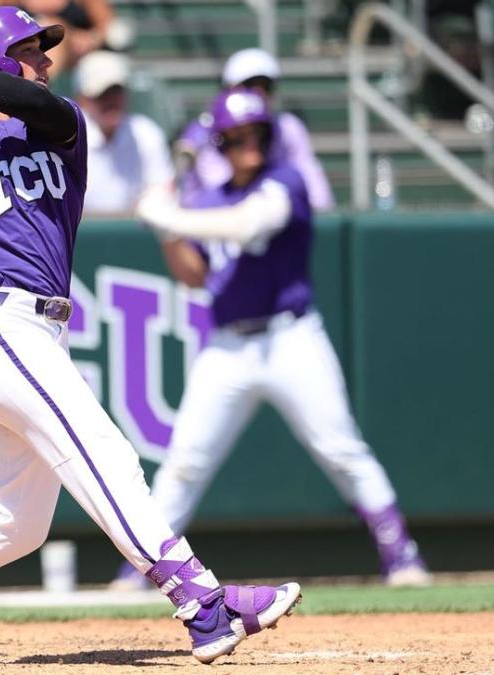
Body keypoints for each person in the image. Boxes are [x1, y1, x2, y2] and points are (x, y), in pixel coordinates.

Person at [0, 8, 302, 668]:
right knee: (106, 452)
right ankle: (201, 600)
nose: (47, 61)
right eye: (30, 51)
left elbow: (26, 98)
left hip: (37, 330)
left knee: (18, 524)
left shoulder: (61, 127)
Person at [121, 89, 431, 590]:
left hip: (291, 338)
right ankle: (140, 570)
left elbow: (248, 226)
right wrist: (167, 233)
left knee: (340, 448)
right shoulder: (208, 200)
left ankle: (402, 556)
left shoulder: (285, 181)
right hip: (227, 345)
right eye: (239, 137)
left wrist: (170, 217)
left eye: (258, 134)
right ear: (222, 143)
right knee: (184, 463)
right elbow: (195, 275)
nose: (251, 144)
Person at [179, 48, 334, 211]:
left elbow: (315, 189)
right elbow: (220, 196)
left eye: (259, 132)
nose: (259, 93)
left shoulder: (287, 132)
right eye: (238, 136)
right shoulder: (203, 131)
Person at [74, 50, 173, 216]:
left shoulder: (146, 133)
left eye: (116, 92)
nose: (111, 102)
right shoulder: (68, 135)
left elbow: (162, 189)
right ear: (83, 99)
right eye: (102, 95)